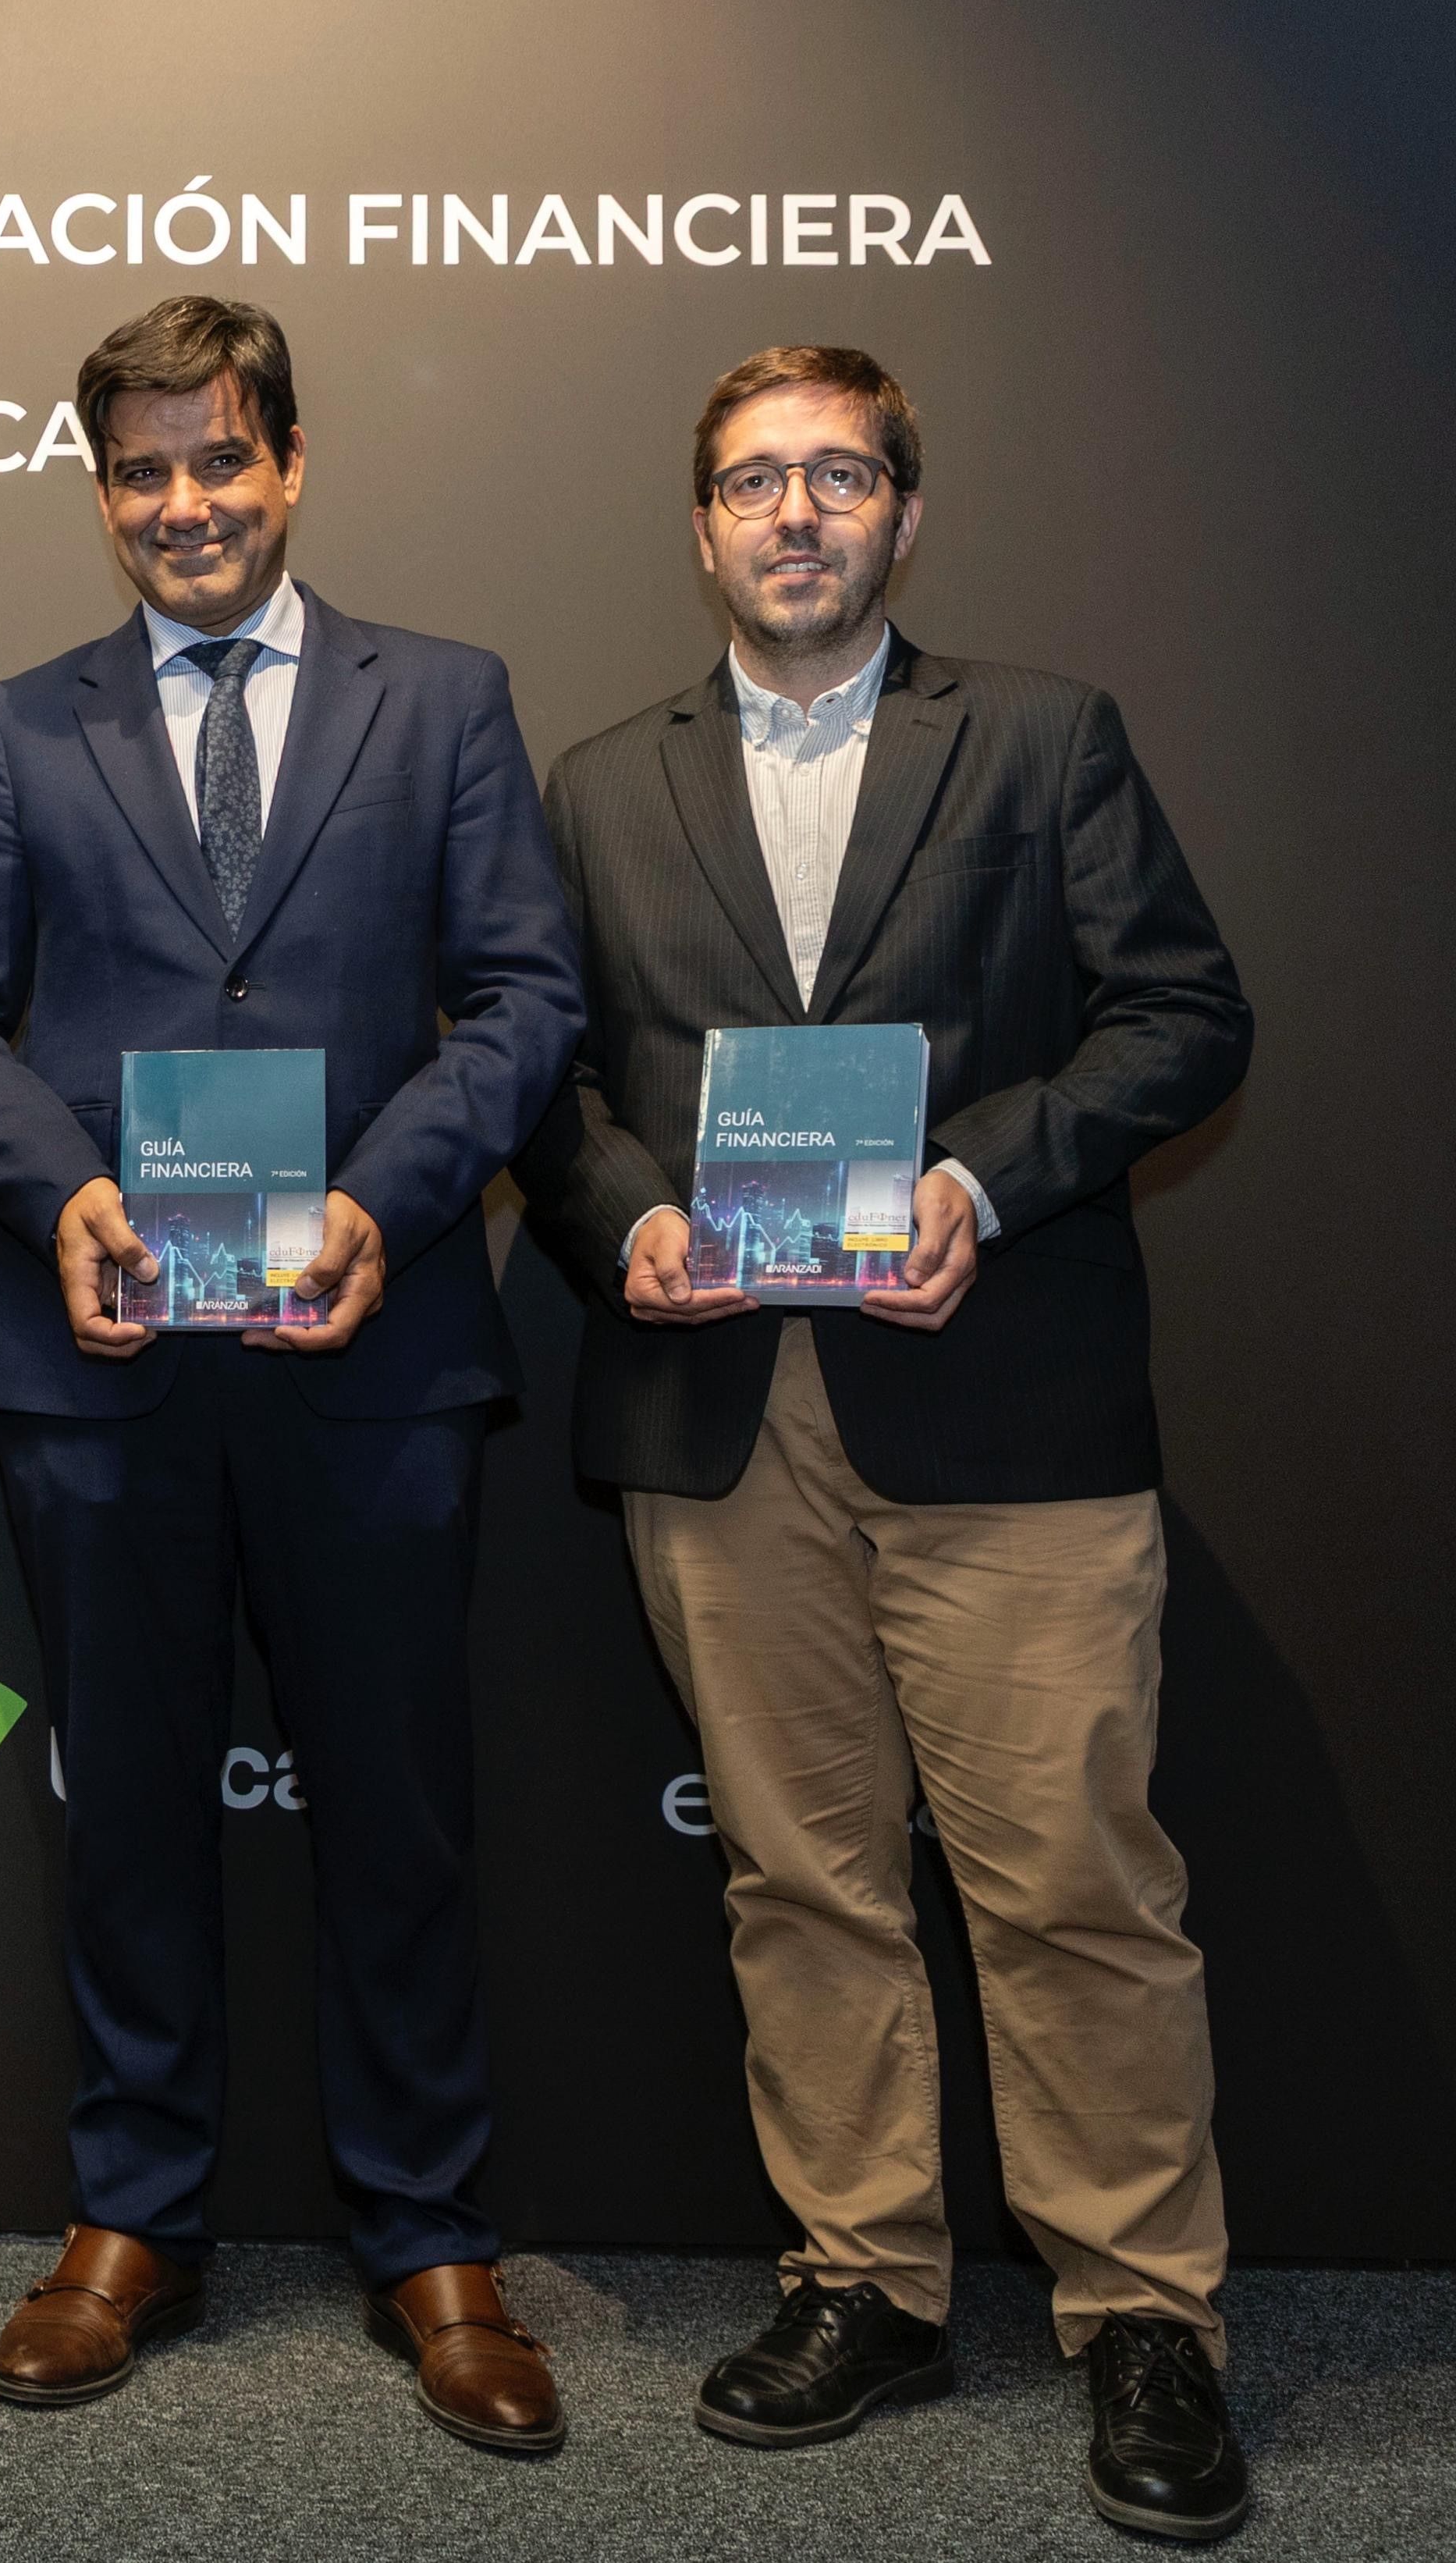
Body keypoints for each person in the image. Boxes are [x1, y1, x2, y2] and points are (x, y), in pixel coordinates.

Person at [512, 347, 1255, 2542]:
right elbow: (546, 1079)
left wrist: (980, 1178)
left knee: (1073, 1885)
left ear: (903, 514)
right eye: (755, 482)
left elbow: (1185, 1014)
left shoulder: (1038, 736)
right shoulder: (600, 781)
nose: (796, 514)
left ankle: (1142, 2312)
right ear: (702, 526)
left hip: (1001, 1398)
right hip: (724, 1414)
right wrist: (627, 1215)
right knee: (802, 1880)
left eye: (838, 476)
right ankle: (865, 2276)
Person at [0, 297, 584, 2443]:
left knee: (397, 1809)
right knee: (127, 1815)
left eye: (219, 458)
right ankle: (134, 2213)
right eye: (141, 471)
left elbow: (524, 999)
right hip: (102, 1354)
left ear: (290, 461)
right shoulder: (27, 723)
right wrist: (66, 1192)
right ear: (102, 493)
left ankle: (428, 2229)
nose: (183, 503)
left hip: (372, 1348)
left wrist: (381, 1201)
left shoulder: (442, 698)